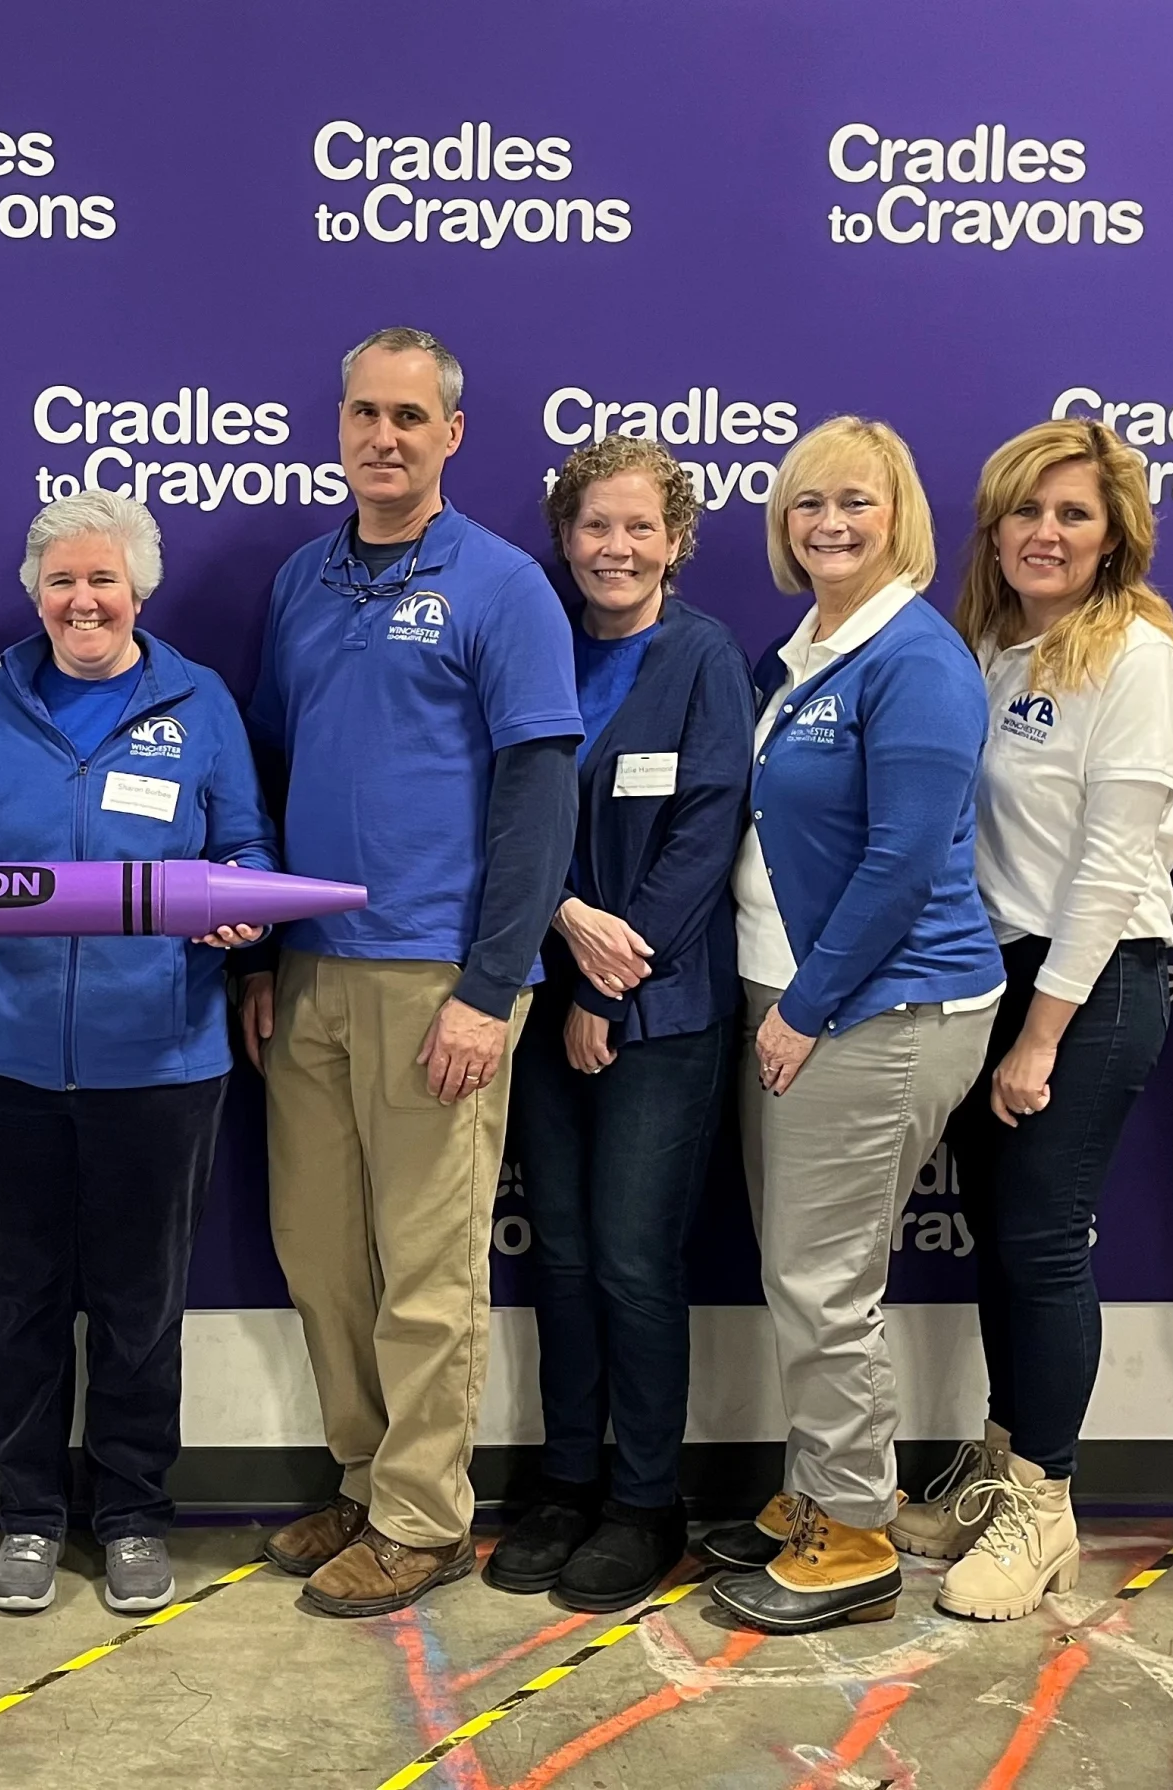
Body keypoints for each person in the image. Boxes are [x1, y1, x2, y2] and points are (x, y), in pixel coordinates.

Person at [241, 328, 582, 1618]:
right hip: (313, 968)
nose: (382, 437)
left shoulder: (501, 587)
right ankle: (364, 1476)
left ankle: (427, 1518)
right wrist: (268, 950)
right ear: (337, 426)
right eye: (361, 415)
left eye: (408, 417)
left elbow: (538, 797)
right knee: (322, 1253)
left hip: (437, 972)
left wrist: (492, 989)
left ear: (450, 434)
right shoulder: (300, 581)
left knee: (428, 1263)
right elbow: (272, 776)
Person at [0, 491, 273, 1617]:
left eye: (102, 581)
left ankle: (130, 1514)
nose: (83, 600)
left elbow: (246, 845)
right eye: (62, 581)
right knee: (15, 1299)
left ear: (139, 591)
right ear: (36, 593)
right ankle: (25, 1514)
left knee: (137, 1303)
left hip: (159, 1059)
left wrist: (241, 909)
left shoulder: (199, 701)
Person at [701, 417, 1005, 1634]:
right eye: (806, 502)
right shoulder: (816, 645)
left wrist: (809, 1007)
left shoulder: (916, 661)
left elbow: (900, 862)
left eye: (856, 504)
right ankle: (818, 1492)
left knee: (824, 1281)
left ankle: (857, 1536)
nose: (828, 522)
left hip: (873, 1008)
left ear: (900, 519)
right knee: (806, 1270)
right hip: (800, 997)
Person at [904, 421, 1173, 1620]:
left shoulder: (1135, 661)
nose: (1045, 533)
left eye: (1073, 513)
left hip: (1091, 979)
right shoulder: (985, 644)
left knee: (1040, 1235)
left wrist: (1036, 1039)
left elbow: (1107, 867)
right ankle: (1000, 1462)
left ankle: (1046, 1506)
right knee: (1001, 1237)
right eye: (1026, 511)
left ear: (1115, 531)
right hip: (989, 967)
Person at [485, 437, 752, 1611]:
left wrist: (608, 986)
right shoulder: (534, 636)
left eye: (640, 528)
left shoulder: (701, 658)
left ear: (677, 541)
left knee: (636, 1257)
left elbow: (703, 836)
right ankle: (562, 1479)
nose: (616, 548)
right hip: (537, 991)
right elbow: (497, 806)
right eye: (596, 526)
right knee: (567, 1251)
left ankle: (645, 1499)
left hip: (663, 1006)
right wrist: (559, 926)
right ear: (565, 535)